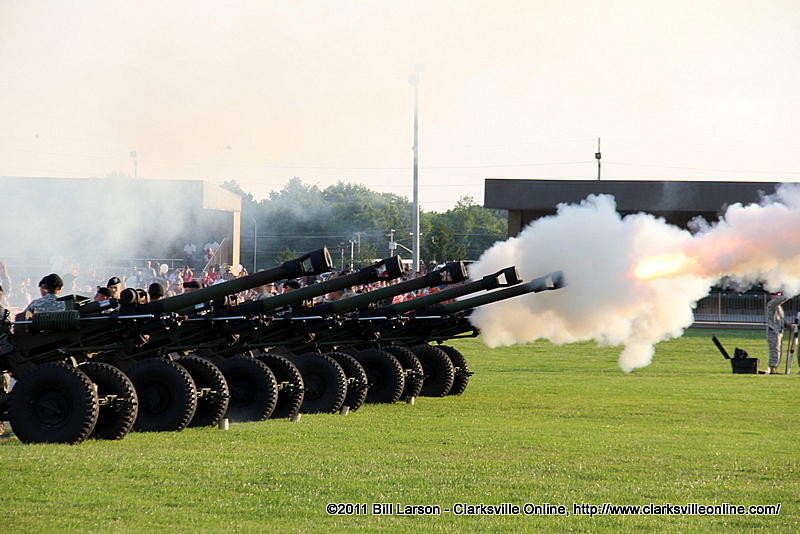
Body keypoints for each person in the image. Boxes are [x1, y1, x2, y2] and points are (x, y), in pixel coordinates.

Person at [766, 291, 790, 374]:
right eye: (775, 295)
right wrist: (790, 294)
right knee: (775, 350)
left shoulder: (779, 307)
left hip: (779, 331)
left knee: (778, 350)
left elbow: (781, 319)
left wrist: (788, 325)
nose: (776, 297)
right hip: (773, 331)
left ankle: (774, 368)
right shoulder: (771, 303)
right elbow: (781, 300)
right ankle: (772, 369)